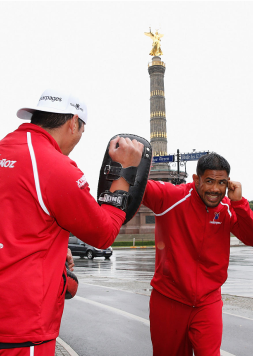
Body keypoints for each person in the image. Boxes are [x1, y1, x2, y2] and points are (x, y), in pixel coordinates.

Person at [0, 88, 143, 355]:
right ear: (73, 123)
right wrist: (125, 172)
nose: (77, 139)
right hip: (21, 329)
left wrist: (51, 245)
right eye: (81, 132)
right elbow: (104, 234)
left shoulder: (7, 150)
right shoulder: (55, 166)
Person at [142, 153, 253, 356]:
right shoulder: (171, 197)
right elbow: (137, 186)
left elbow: (252, 238)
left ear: (228, 183)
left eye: (221, 182)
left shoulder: (228, 207)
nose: (215, 189)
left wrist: (240, 203)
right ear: (196, 180)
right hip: (169, 300)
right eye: (209, 181)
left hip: (208, 302)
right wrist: (127, 162)